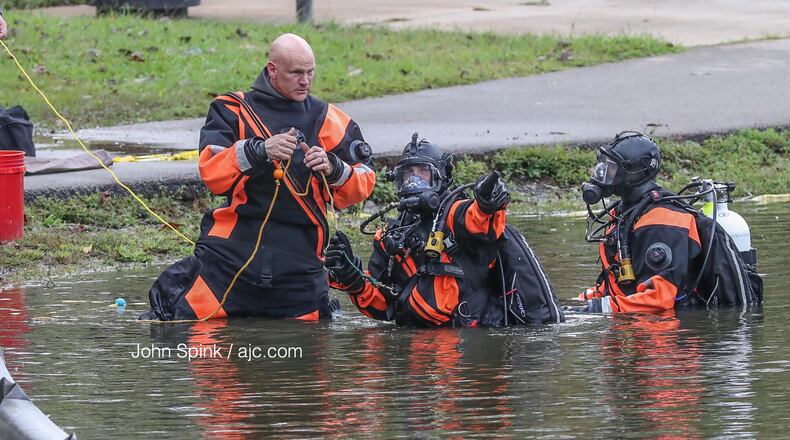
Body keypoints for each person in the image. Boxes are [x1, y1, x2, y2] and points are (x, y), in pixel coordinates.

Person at [141, 33, 376, 321]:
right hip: (232, 257)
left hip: (299, 263)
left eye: (310, 72)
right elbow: (212, 174)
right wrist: (259, 150)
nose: (306, 81)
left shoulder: (329, 119)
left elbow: (364, 181)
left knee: (306, 355)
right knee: (174, 326)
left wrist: (335, 168)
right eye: (296, 73)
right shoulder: (232, 109)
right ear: (273, 69)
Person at [326, 134, 563, 327]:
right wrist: (353, 277)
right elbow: (382, 307)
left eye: (422, 174)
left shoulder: (454, 214)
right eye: (408, 175)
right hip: (420, 356)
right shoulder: (389, 234)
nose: (414, 182)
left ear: (441, 177)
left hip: (467, 347)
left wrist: (488, 203)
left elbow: (480, 220)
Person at [576, 131, 761, 315]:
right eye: (604, 165)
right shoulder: (625, 213)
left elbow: (659, 299)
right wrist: (580, 303)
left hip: (671, 335)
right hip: (638, 326)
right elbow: (621, 284)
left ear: (634, 173)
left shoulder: (662, 222)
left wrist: (596, 310)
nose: (603, 173)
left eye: (612, 167)